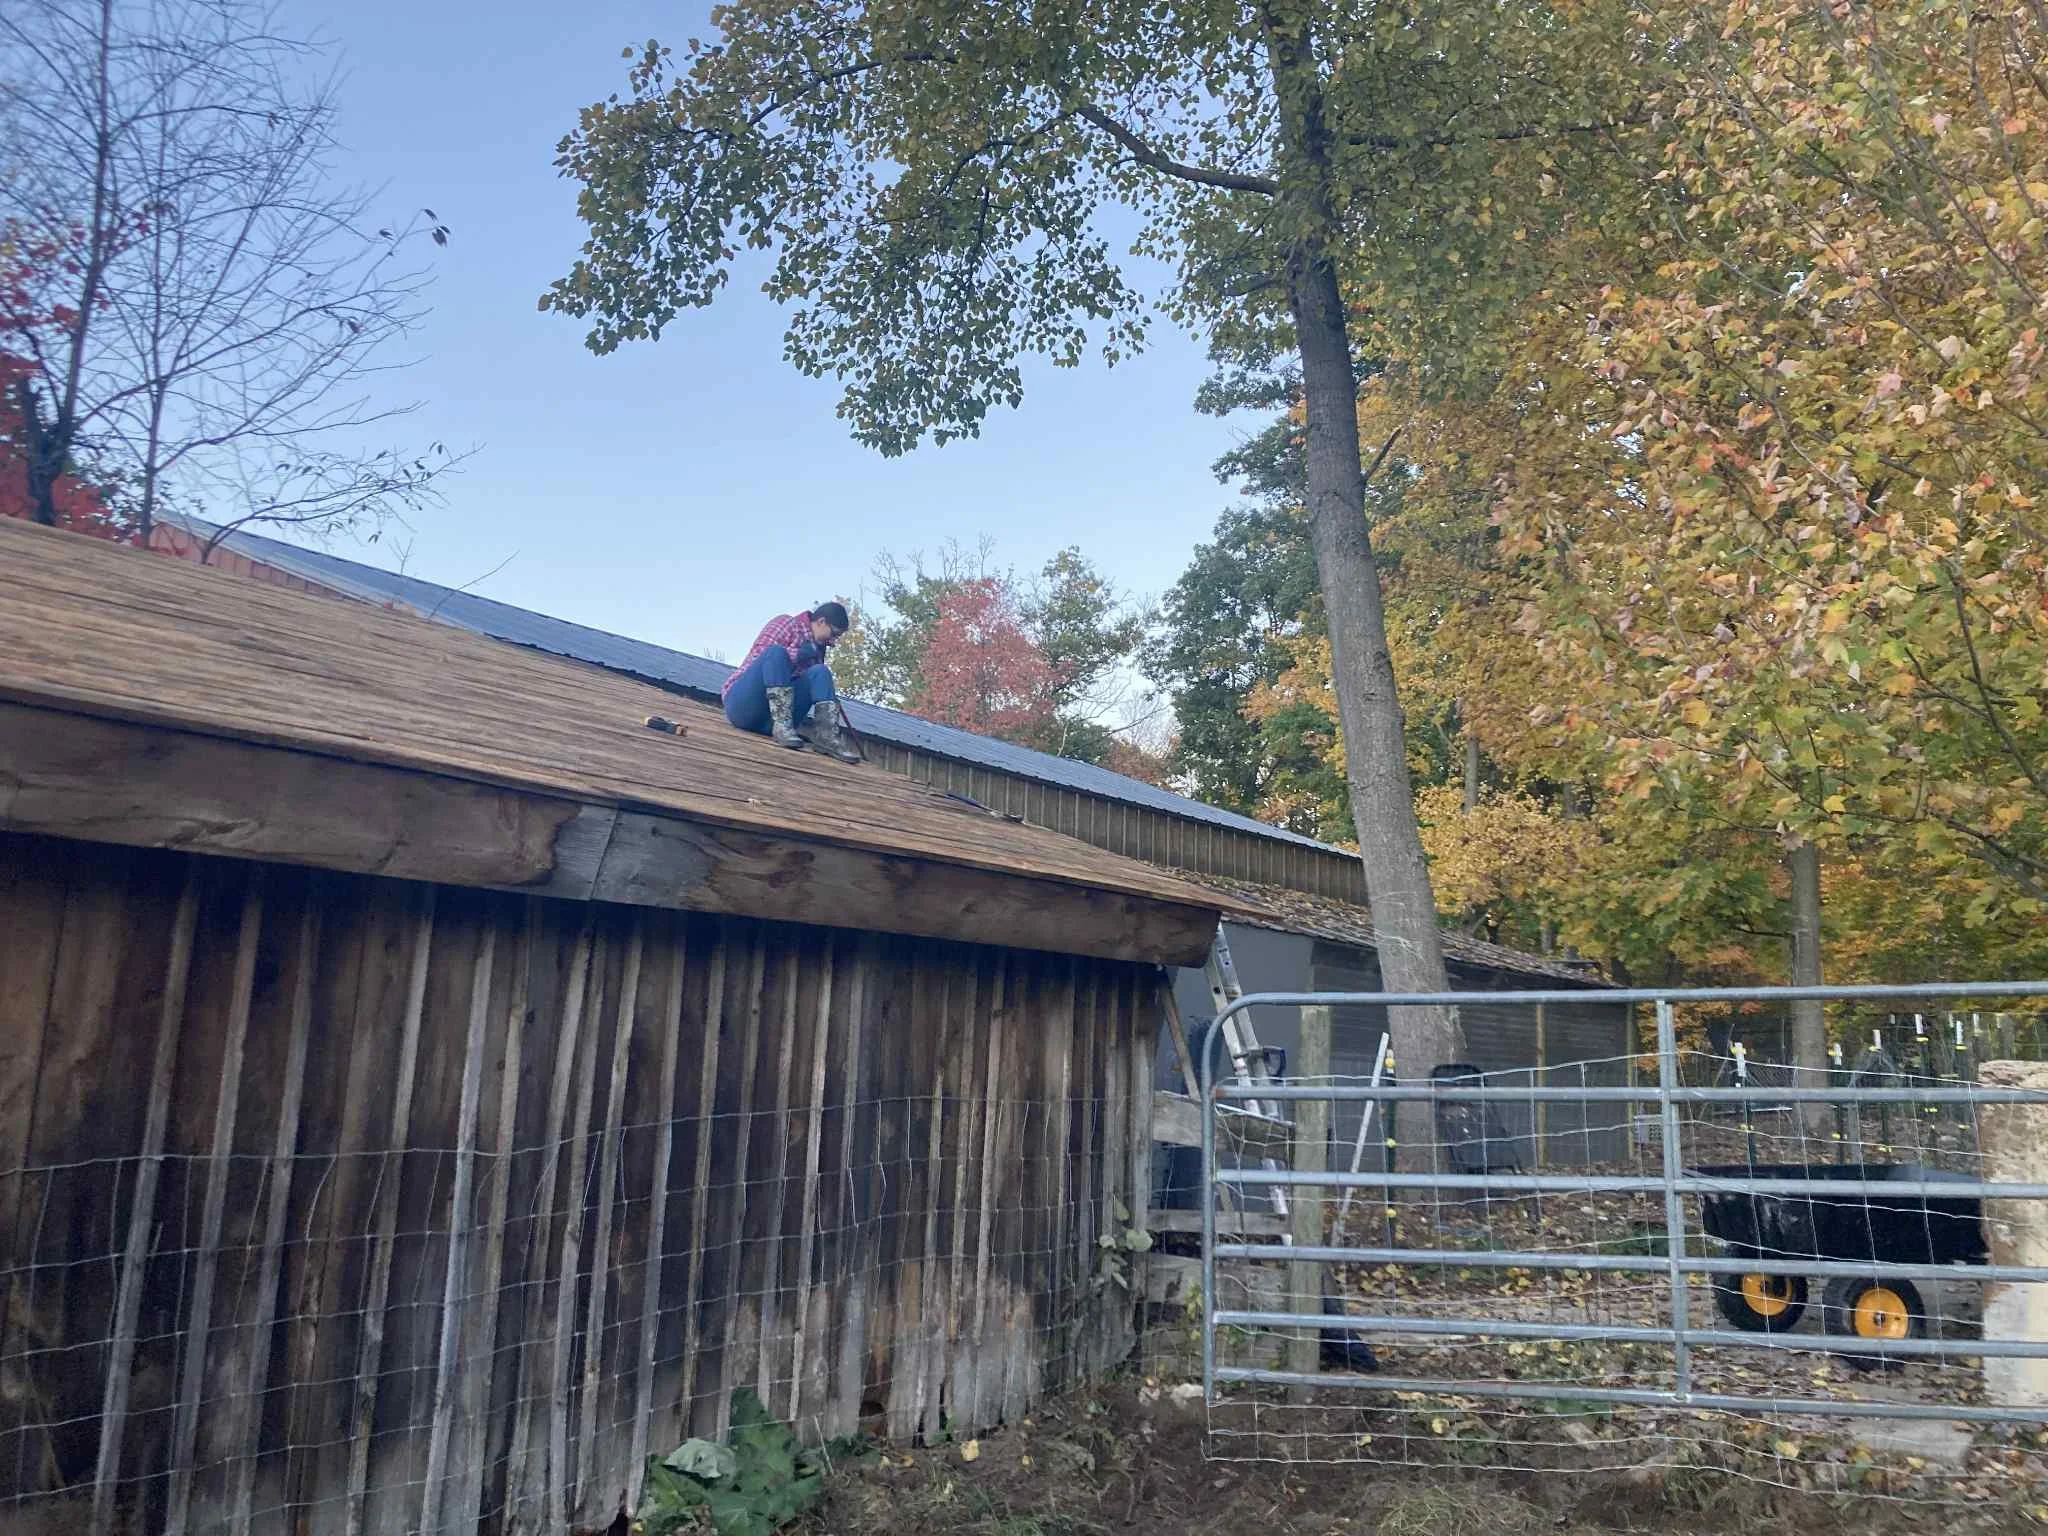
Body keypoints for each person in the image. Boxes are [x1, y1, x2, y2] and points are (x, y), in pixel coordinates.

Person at [721, 601, 860, 761]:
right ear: (821, 622)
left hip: (769, 723)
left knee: (820, 672)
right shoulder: (786, 623)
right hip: (743, 709)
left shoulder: (819, 647)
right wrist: (798, 654)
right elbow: (760, 656)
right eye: (834, 634)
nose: (834, 641)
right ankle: (782, 725)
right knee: (776, 652)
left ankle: (826, 738)